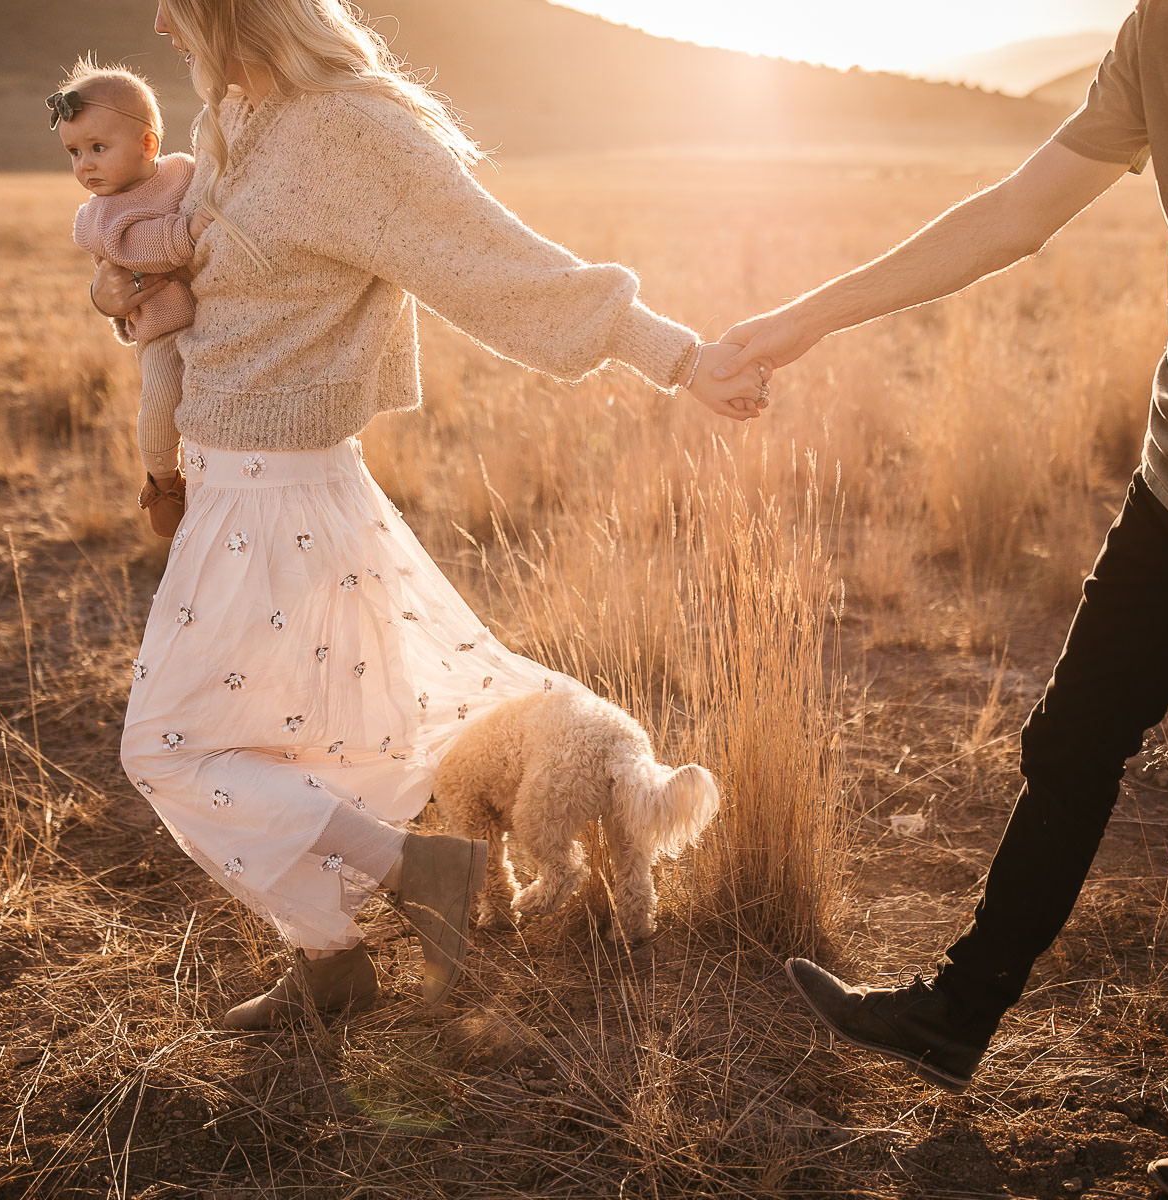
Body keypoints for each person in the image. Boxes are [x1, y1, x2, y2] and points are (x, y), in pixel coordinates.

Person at [718, 2, 1168, 1197]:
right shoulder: (1160, 28)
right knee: (1068, 746)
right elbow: (1017, 213)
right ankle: (957, 1014)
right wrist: (804, 320)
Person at [99, 0, 767, 1033]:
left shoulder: (347, 129)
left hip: (279, 501)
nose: (156, 20)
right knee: (292, 736)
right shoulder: (234, 118)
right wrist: (135, 290)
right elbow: (223, 297)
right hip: (232, 488)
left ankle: (418, 870)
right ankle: (329, 964)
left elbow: (501, 267)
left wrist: (677, 356)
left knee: (167, 748)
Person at [51, 59, 211, 533]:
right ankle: (163, 478)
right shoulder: (98, 217)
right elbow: (137, 248)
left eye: (97, 148)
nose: (85, 164)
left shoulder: (181, 170)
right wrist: (187, 232)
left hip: (214, 316)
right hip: (161, 329)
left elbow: (210, 184)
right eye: (74, 152)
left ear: (148, 144)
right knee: (160, 401)